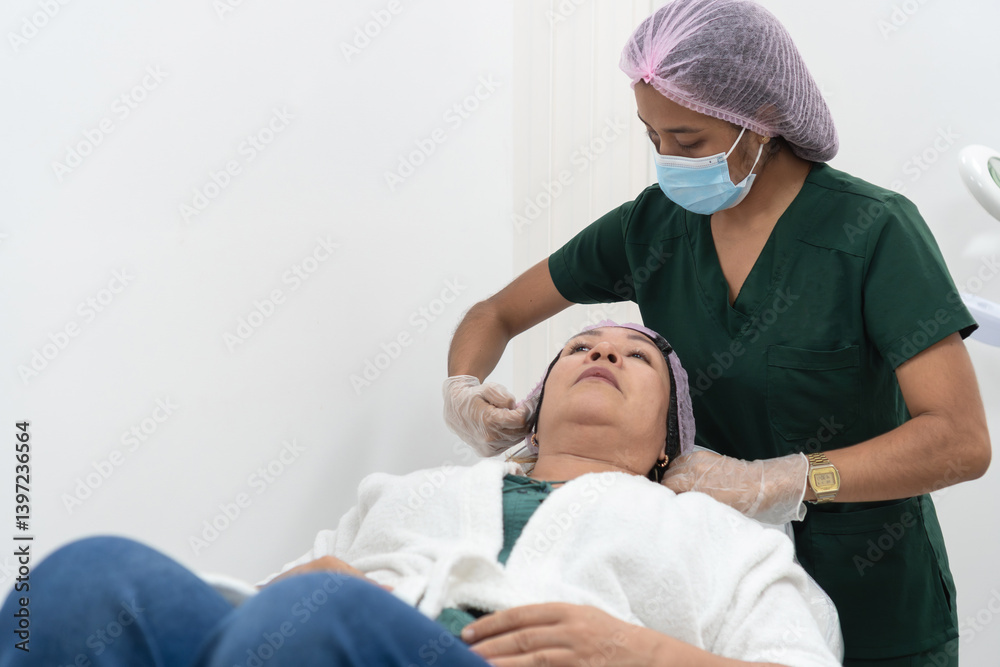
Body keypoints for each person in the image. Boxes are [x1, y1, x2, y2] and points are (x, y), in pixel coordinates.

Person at [441, 1, 992, 665]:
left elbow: (961, 441)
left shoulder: (873, 232)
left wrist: (785, 480)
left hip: (873, 594)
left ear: (761, 123)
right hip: (708, 591)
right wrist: (463, 390)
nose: (669, 160)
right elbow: (494, 314)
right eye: (653, 139)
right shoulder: (653, 227)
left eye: (690, 141)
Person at [0, 324, 842, 667]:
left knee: (328, 619)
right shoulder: (413, 492)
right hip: (325, 635)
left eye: (637, 357)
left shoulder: (722, 537)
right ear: (533, 412)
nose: (604, 353)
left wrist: (640, 650)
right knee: (86, 581)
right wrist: (293, 583)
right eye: (579, 345)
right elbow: (267, 619)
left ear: (670, 440)